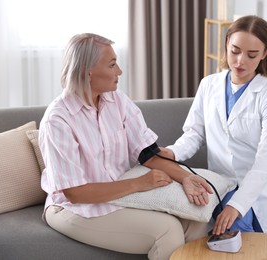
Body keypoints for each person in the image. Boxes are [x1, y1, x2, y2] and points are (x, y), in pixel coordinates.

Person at [38, 33, 213, 260]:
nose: (119, 71)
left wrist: (185, 177)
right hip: (74, 208)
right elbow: (75, 192)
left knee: (196, 221)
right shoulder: (58, 120)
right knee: (167, 231)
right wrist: (139, 183)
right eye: (112, 65)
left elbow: (148, 153)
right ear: (86, 71)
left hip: (121, 195)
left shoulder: (117, 100)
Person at [165, 15, 267, 242]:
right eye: (235, 51)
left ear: (264, 54)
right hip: (225, 182)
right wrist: (172, 153)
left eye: (252, 55)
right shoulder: (208, 85)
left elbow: (266, 158)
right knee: (233, 240)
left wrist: (238, 205)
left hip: (265, 186)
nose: (240, 61)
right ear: (226, 44)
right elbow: (194, 134)